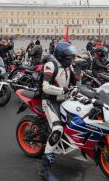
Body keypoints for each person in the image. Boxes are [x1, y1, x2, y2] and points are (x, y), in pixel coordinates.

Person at [40, 42, 77, 180]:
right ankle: (45, 169)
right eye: (70, 57)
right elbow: (45, 87)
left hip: (64, 99)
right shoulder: (51, 65)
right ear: (62, 56)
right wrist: (62, 90)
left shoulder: (69, 66)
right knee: (57, 129)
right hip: (50, 100)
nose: (72, 59)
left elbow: (73, 83)